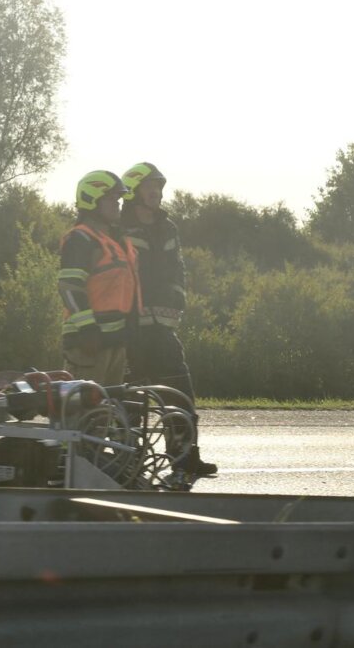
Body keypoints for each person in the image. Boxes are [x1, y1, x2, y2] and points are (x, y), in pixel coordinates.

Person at [120, 161, 216, 476]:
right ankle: (127, 459)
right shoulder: (119, 228)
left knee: (180, 395)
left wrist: (178, 297)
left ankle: (185, 457)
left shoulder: (168, 227)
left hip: (164, 331)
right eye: (151, 187)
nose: (157, 193)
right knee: (131, 402)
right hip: (130, 332)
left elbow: (178, 267)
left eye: (160, 187)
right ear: (134, 191)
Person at [58, 170, 141, 387]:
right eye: (111, 198)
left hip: (115, 341)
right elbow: (69, 287)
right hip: (88, 343)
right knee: (82, 412)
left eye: (118, 198)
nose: (118, 204)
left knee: (107, 414)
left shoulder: (116, 241)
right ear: (91, 199)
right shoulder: (80, 239)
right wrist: (88, 330)